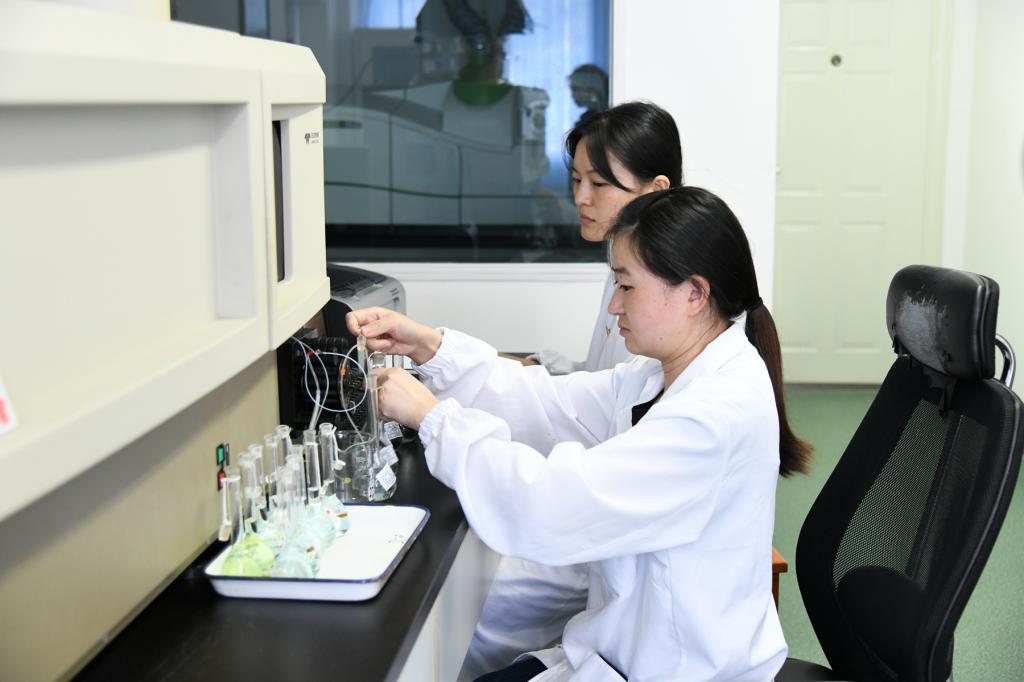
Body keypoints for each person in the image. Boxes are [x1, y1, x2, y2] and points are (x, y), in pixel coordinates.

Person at [347, 187, 812, 681]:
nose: (614, 306)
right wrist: (431, 348)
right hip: (621, 651)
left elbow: (550, 504)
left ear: (695, 294)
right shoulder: (658, 376)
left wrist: (434, 419)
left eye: (627, 286)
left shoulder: (713, 415)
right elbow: (549, 403)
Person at [516, 100, 683, 375]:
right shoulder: (627, 260)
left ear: (656, 190)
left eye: (598, 183)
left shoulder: (667, 287)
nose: (580, 198)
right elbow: (599, 375)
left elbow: (612, 392)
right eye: (576, 180)